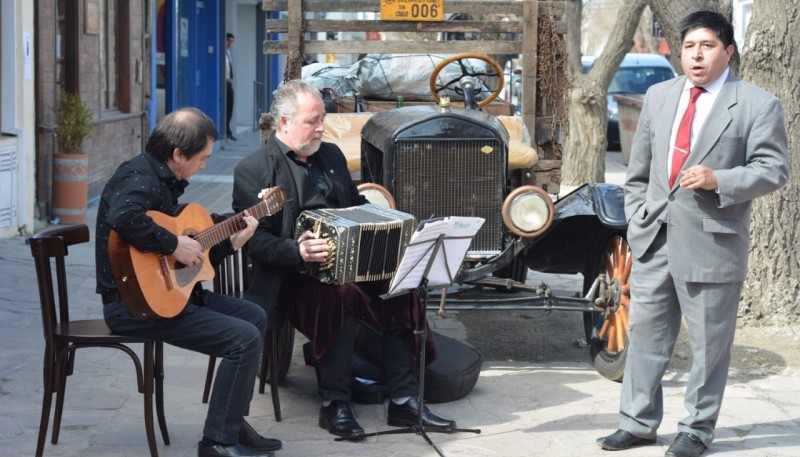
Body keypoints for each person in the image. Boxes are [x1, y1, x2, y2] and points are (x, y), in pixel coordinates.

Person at [596, 11, 789, 457]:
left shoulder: (757, 104)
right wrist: (638, 216)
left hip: (711, 240)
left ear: (728, 51)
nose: (696, 55)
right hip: (653, 237)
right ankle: (638, 422)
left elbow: (773, 168)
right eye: (688, 46)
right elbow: (638, 170)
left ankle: (696, 431)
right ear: (678, 51)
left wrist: (720, 179)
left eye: (707, 46)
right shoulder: (660, 96)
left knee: (708, 348)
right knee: (644, 337)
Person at [231, 79, 456, 440]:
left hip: (355, 265)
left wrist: (390, 222)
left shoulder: (331, 155)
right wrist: (297, 250)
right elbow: (253, 240)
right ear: (284, 123)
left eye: (323, 118)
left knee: (404, 286)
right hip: (292, 277)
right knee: (340, 296)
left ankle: (403, 399)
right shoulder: (254, 169)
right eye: (312, 120)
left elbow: (354, 205)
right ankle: (335, 403)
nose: (321, 127)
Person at [95, 108, 282, 457]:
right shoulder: (139, 177)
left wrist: (233, 239)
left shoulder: (162, 180)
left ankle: (231, 422)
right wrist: (173, 243)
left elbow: (194, 256)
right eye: (201, 158)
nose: (204, 166)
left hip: (170, 298)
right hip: (133, 307)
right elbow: (123, 217)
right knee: (243, 339)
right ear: (178, 154)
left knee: (254, 316)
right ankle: (217, 443)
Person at [225, 33, 236, 141]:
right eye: (229, 41)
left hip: (228, 81)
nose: (230, 44)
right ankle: (226, 131)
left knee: (230, 106)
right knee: (226, 107)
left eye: (232, 42)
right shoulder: (221, 52)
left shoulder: (228, 52)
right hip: (224, 81)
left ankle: (228, 129)